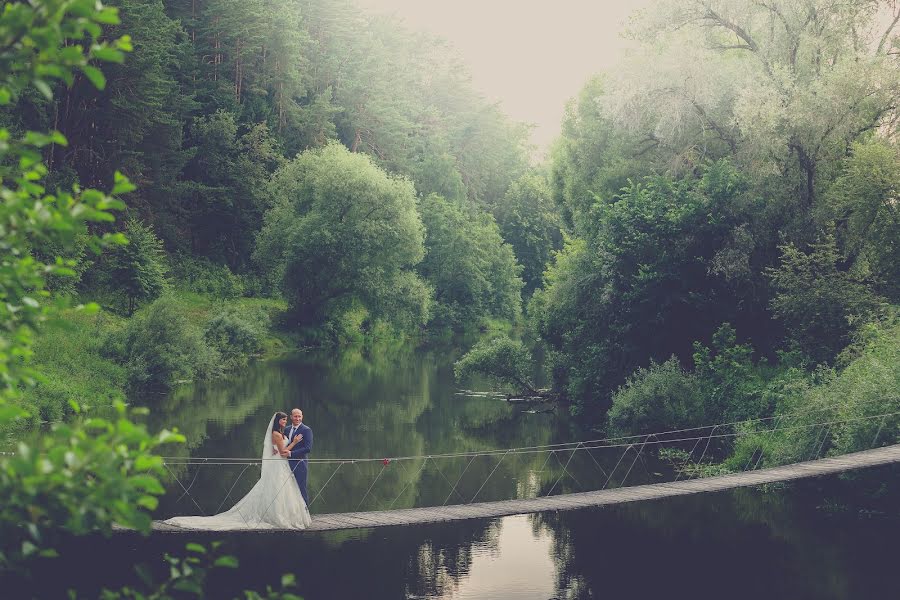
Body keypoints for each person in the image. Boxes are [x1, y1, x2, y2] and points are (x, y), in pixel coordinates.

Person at [163, 412, 312, 530]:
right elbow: (282, 452)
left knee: (282, 489)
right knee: (278, 488)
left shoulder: (283, 432)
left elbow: (277, 450)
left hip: (281, 465)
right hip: (280, 463)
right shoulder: (277, 434)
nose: (286, 422)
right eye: (283, 420)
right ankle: (276, 515)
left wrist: (283, 447)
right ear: (278, 421)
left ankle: (283, 513)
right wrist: (294, 442)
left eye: (287, 420)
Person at [282, 408, 313, 505]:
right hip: (286, 464)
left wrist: (291, 454)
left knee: (301, 488)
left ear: (302, 417)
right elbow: (284, 445)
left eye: (299, 416)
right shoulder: (286, 429)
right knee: (289, 489)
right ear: (291, 417)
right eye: (295, 416)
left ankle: (305, 513)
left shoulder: (306, 430)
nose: (297, 418)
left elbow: (308, 448)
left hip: (300, 463)